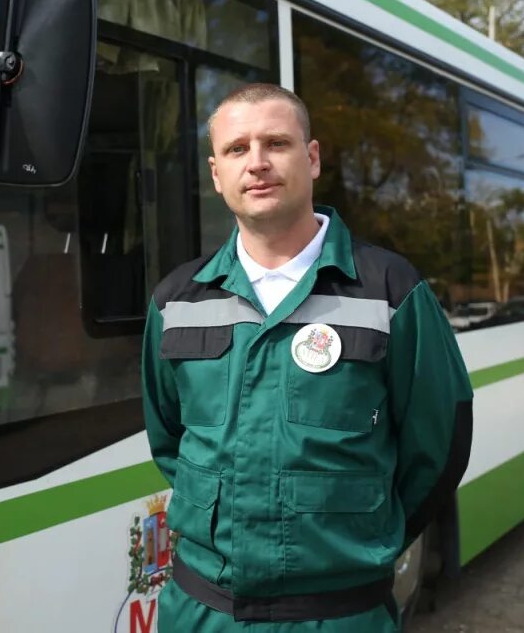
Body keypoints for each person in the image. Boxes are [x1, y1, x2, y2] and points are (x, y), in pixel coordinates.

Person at [141, 83, 473, 632]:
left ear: (312, 158)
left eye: (277, 143)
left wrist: (360, 534)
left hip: (340, 615)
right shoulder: (177, 301)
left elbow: (437, 447)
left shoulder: (390, 290)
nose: (258, 163)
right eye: (237, 149)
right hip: (201, 613)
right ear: (217, 173)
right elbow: (170, 438)